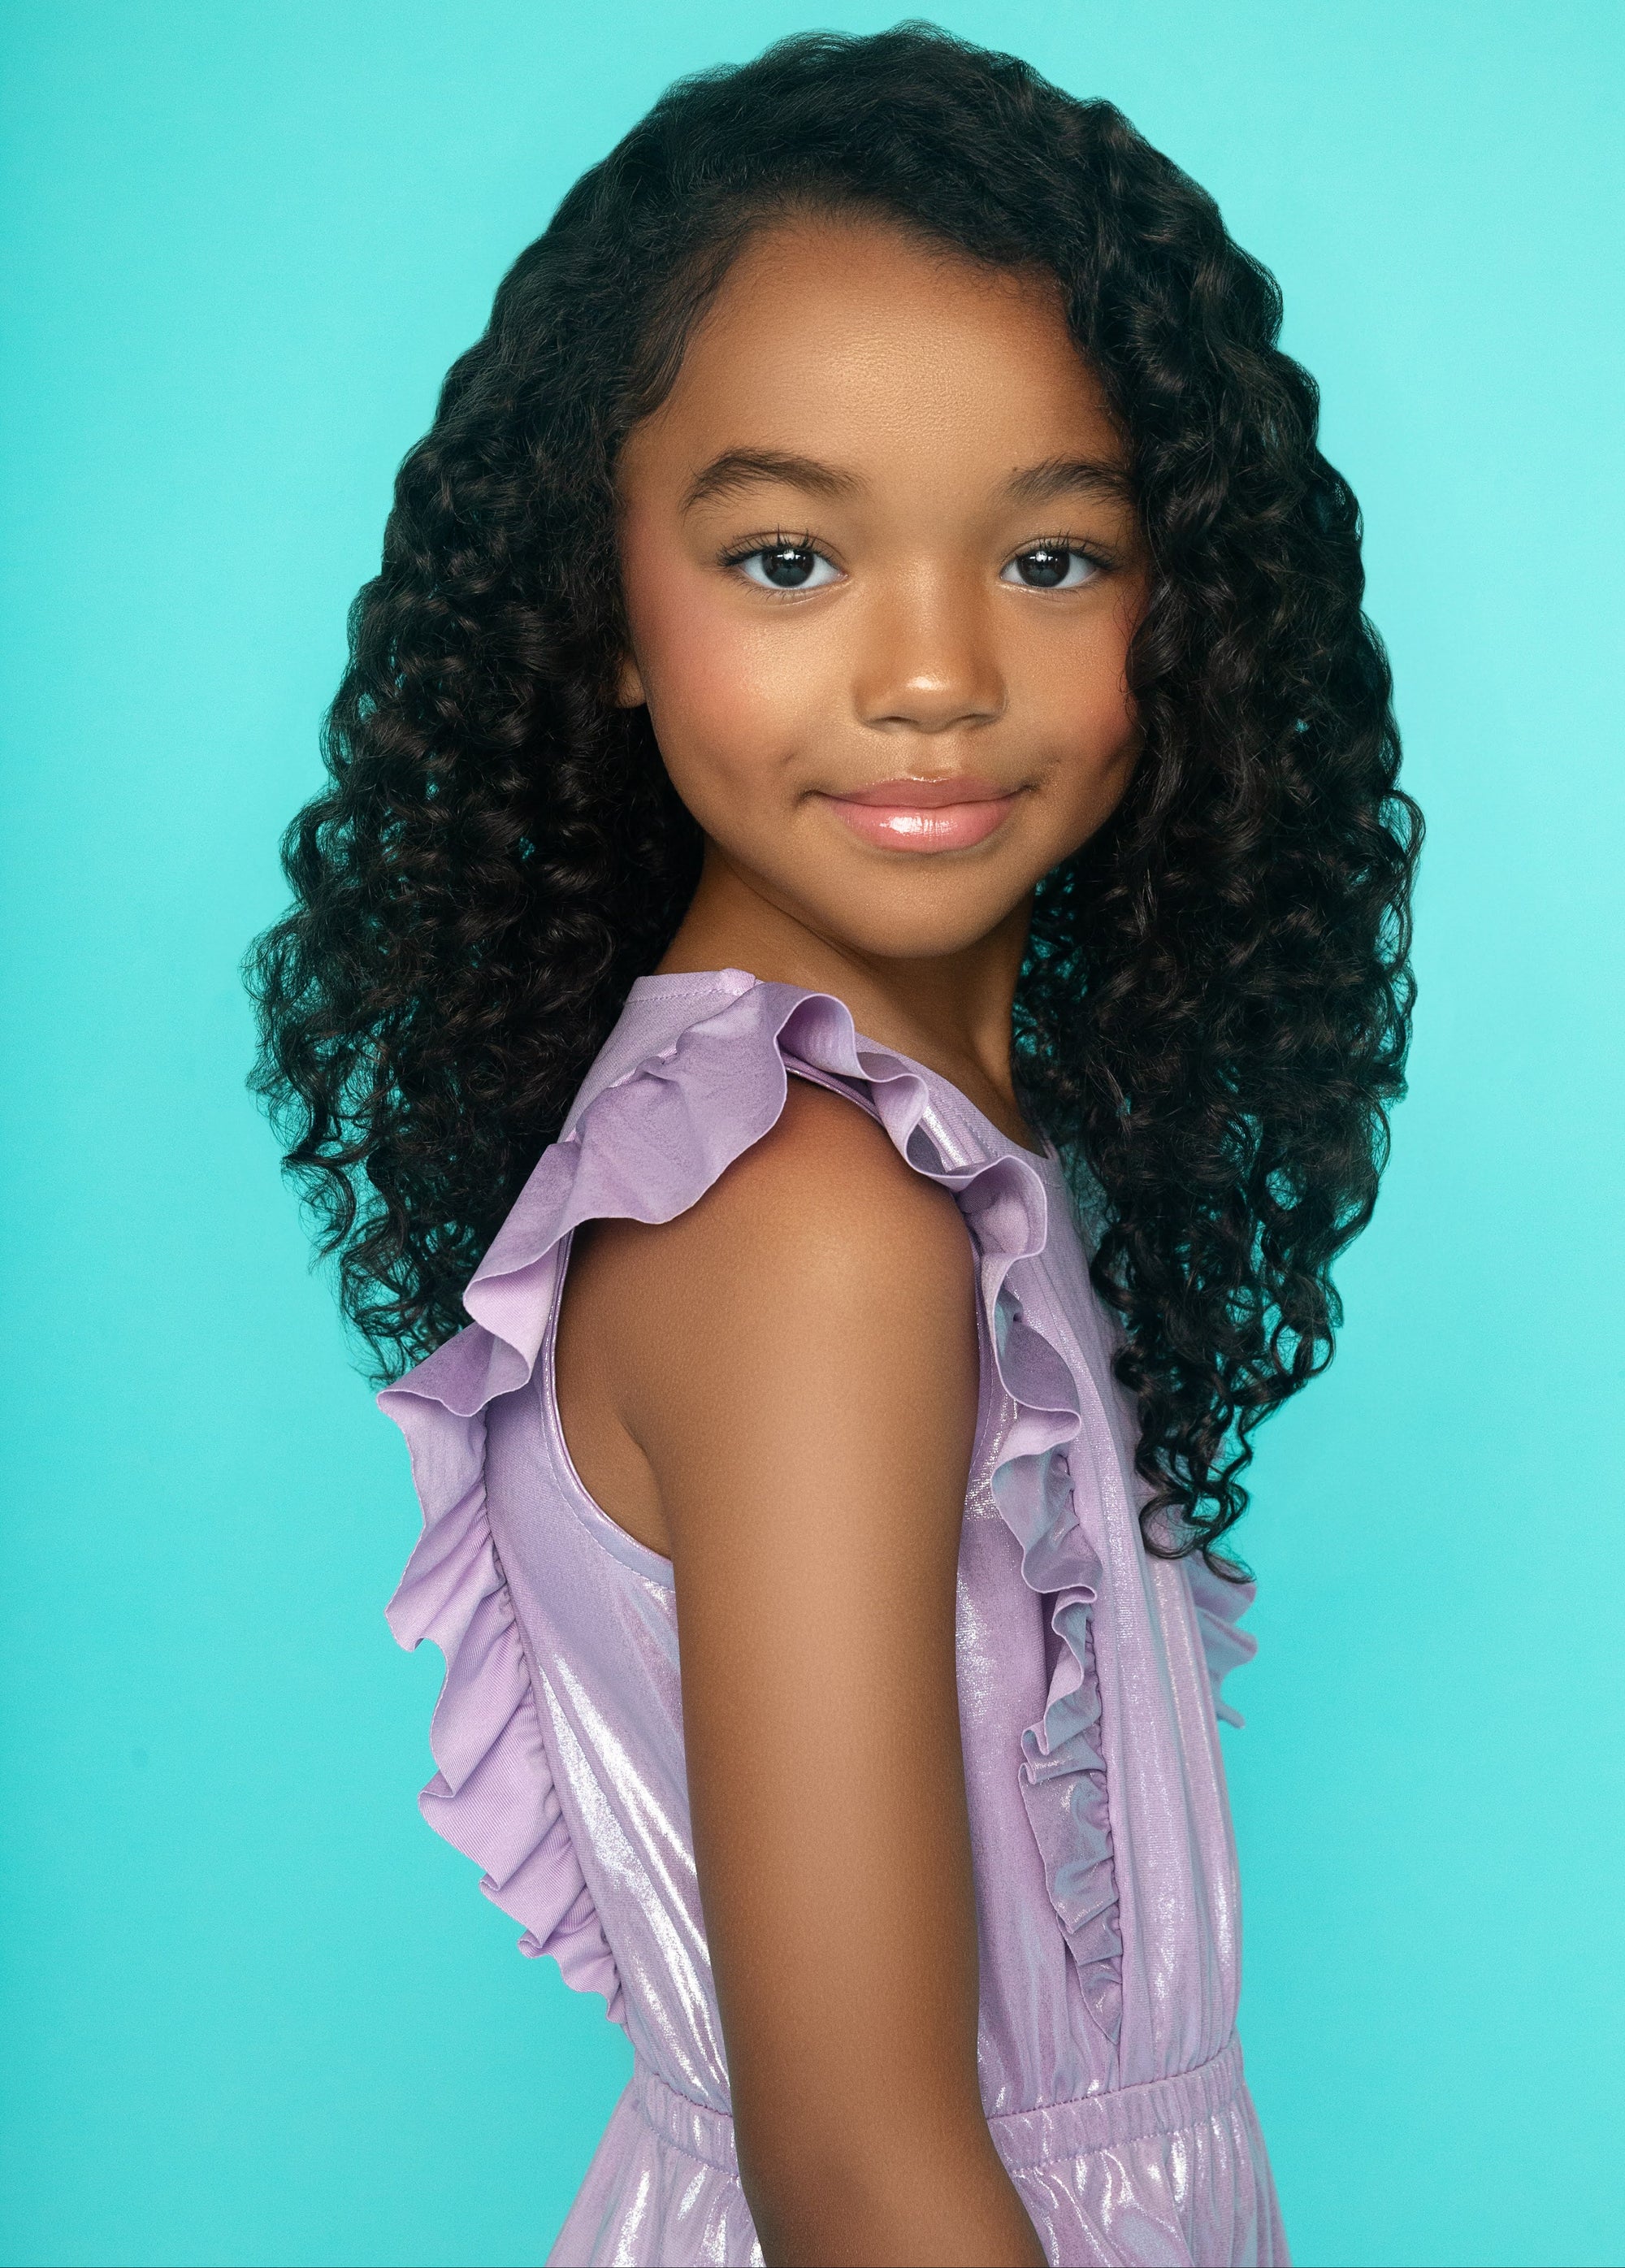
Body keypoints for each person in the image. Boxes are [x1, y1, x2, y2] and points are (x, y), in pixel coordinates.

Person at [247, 26, 1419, 2266]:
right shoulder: (809, 1221)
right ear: (601, 604)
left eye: (1053, 557)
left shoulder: (912, 1160)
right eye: (789, 558)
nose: (934, 674)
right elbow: (865, 2173)